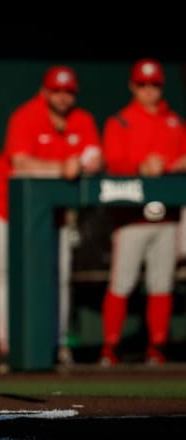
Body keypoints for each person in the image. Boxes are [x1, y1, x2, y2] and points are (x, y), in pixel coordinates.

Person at [0, 65, 103, 374]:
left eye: (68, 91)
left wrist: (88, 161)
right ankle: (9, 344)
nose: (63, 97)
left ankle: (58, 343)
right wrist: (62, 168)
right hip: (6, 205)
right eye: (57, 91)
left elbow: (95, 156)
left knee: (59, 272)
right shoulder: (26, 116)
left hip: (54, 211)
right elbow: (21, 164)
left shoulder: (83, 120)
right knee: (7, 271)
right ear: (45, 91)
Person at [99, 58, 186, 367]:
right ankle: (110, 348)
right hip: (131, 218)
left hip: (167, 216)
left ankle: (157, 346)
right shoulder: (121, 121)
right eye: (143, 84)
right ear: (133, 86)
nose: (149, 90)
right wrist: (139, 167)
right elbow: (113, 162)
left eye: (155, 84)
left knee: (162, 283)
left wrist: (176, 164)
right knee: (122, 282)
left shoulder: (174, 122)